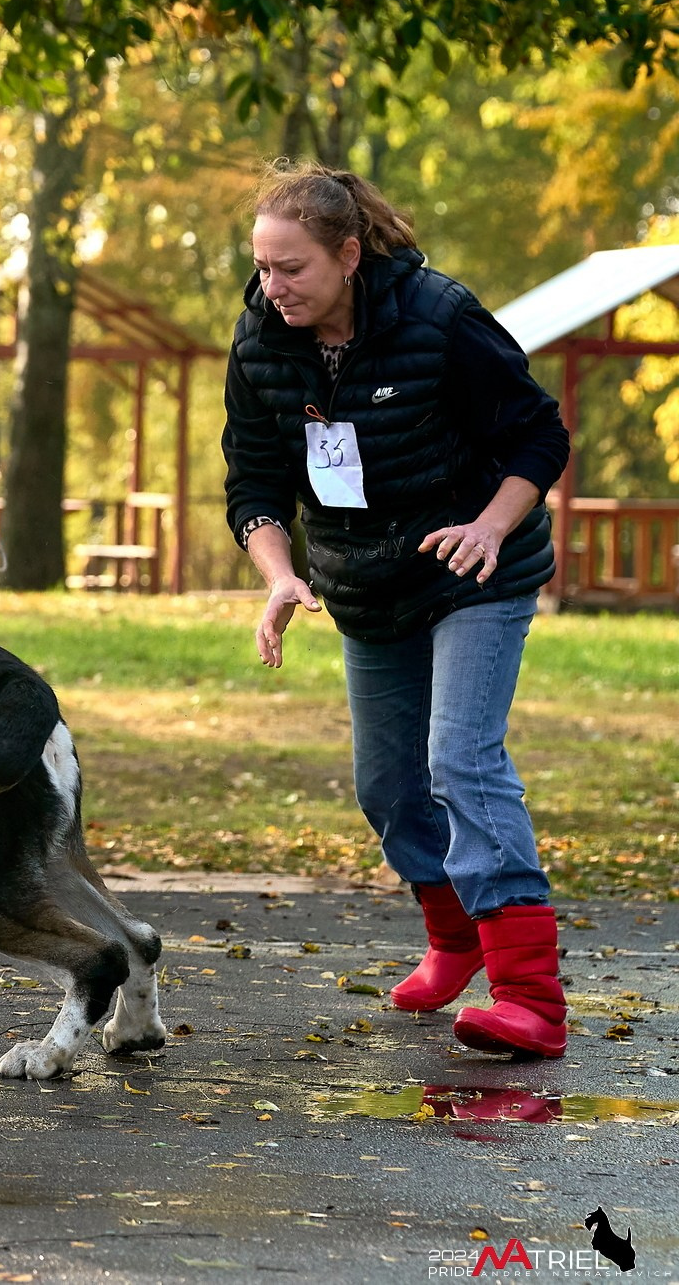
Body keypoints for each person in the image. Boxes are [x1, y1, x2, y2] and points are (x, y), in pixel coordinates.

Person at [221, 163, 571, 1059]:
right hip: (367, 584)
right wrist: (277, 572)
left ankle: (531, 998)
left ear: (348, 254)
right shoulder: (261, 341)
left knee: (462, 759)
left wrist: (491, 527)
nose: (274, 286)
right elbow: (254, 480)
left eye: (292, 268)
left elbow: (539, 432)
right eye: (263, 267)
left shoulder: (440, 316)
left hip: (473, 570)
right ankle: (455, 943)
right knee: (388, 785)